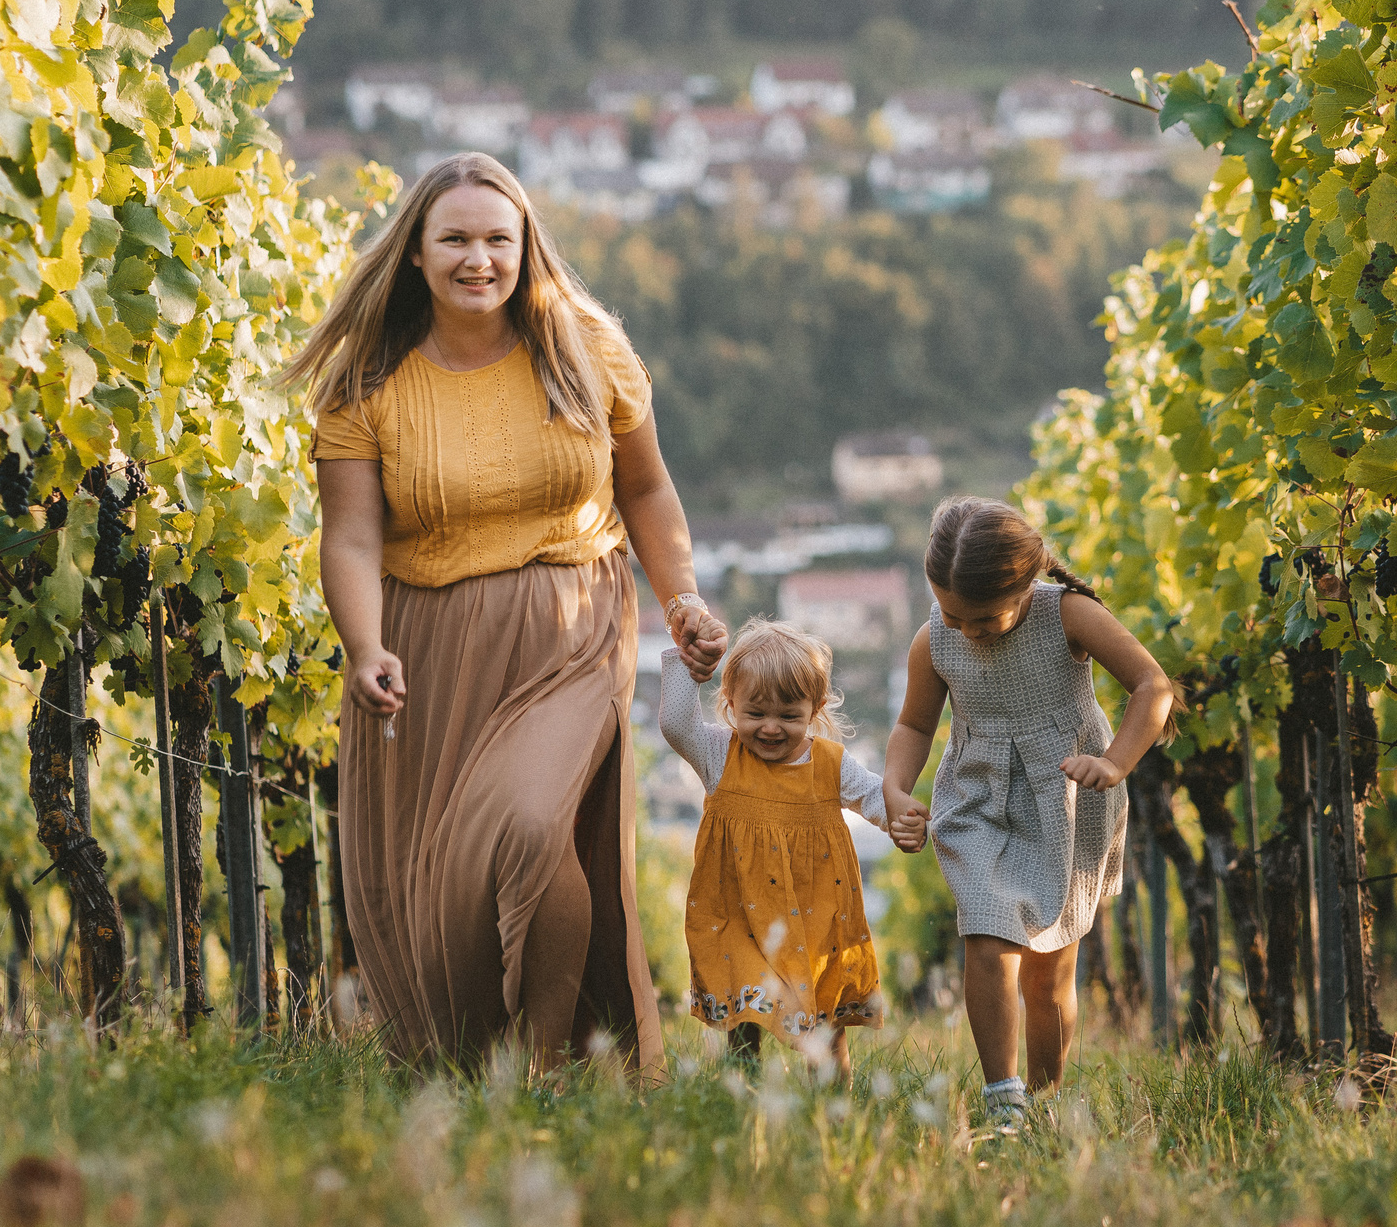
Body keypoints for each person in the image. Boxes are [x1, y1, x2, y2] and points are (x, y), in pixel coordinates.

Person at [285, 152, 727, 1074]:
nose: (477, 258)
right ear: (415, 253)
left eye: (498, 238)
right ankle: (490, 1058)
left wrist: (680, 596)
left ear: (528, 247)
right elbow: (352, 539)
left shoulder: (589, 349)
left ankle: (540, 1065)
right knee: (452, 897)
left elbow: (646, 491)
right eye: (454, 239)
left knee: (531, 824)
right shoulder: (368, 386)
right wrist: (363, 645)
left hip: (573, 628)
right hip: (430, 645)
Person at [884, 497, 1174, 1128]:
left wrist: (1116, 762)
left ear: (1026, 581)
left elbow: (1153, 687)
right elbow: (913, 724)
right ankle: (1004, 1101)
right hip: (978, 800)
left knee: (1048, 978)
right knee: (986, 935)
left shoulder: (1066, 614)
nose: (964, 630)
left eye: (982, 617)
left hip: (1067, 801)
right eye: (950, 614)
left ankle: (1046, 1100)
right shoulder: (935, 639)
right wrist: (897, 788)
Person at [658, 620, 926, 1074]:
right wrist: (687, 660)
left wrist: (903, 821)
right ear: (729, 704)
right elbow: (676, 724)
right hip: (738, 912)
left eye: (788, 716)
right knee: (742, 1005)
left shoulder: (829, 764)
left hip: (814, 917)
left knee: (825, 1020)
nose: (770, 728)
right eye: (755, 713)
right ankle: (742, 1094)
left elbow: (874, 797)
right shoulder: (719, 756)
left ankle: (831, 1105)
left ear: (815, 709)